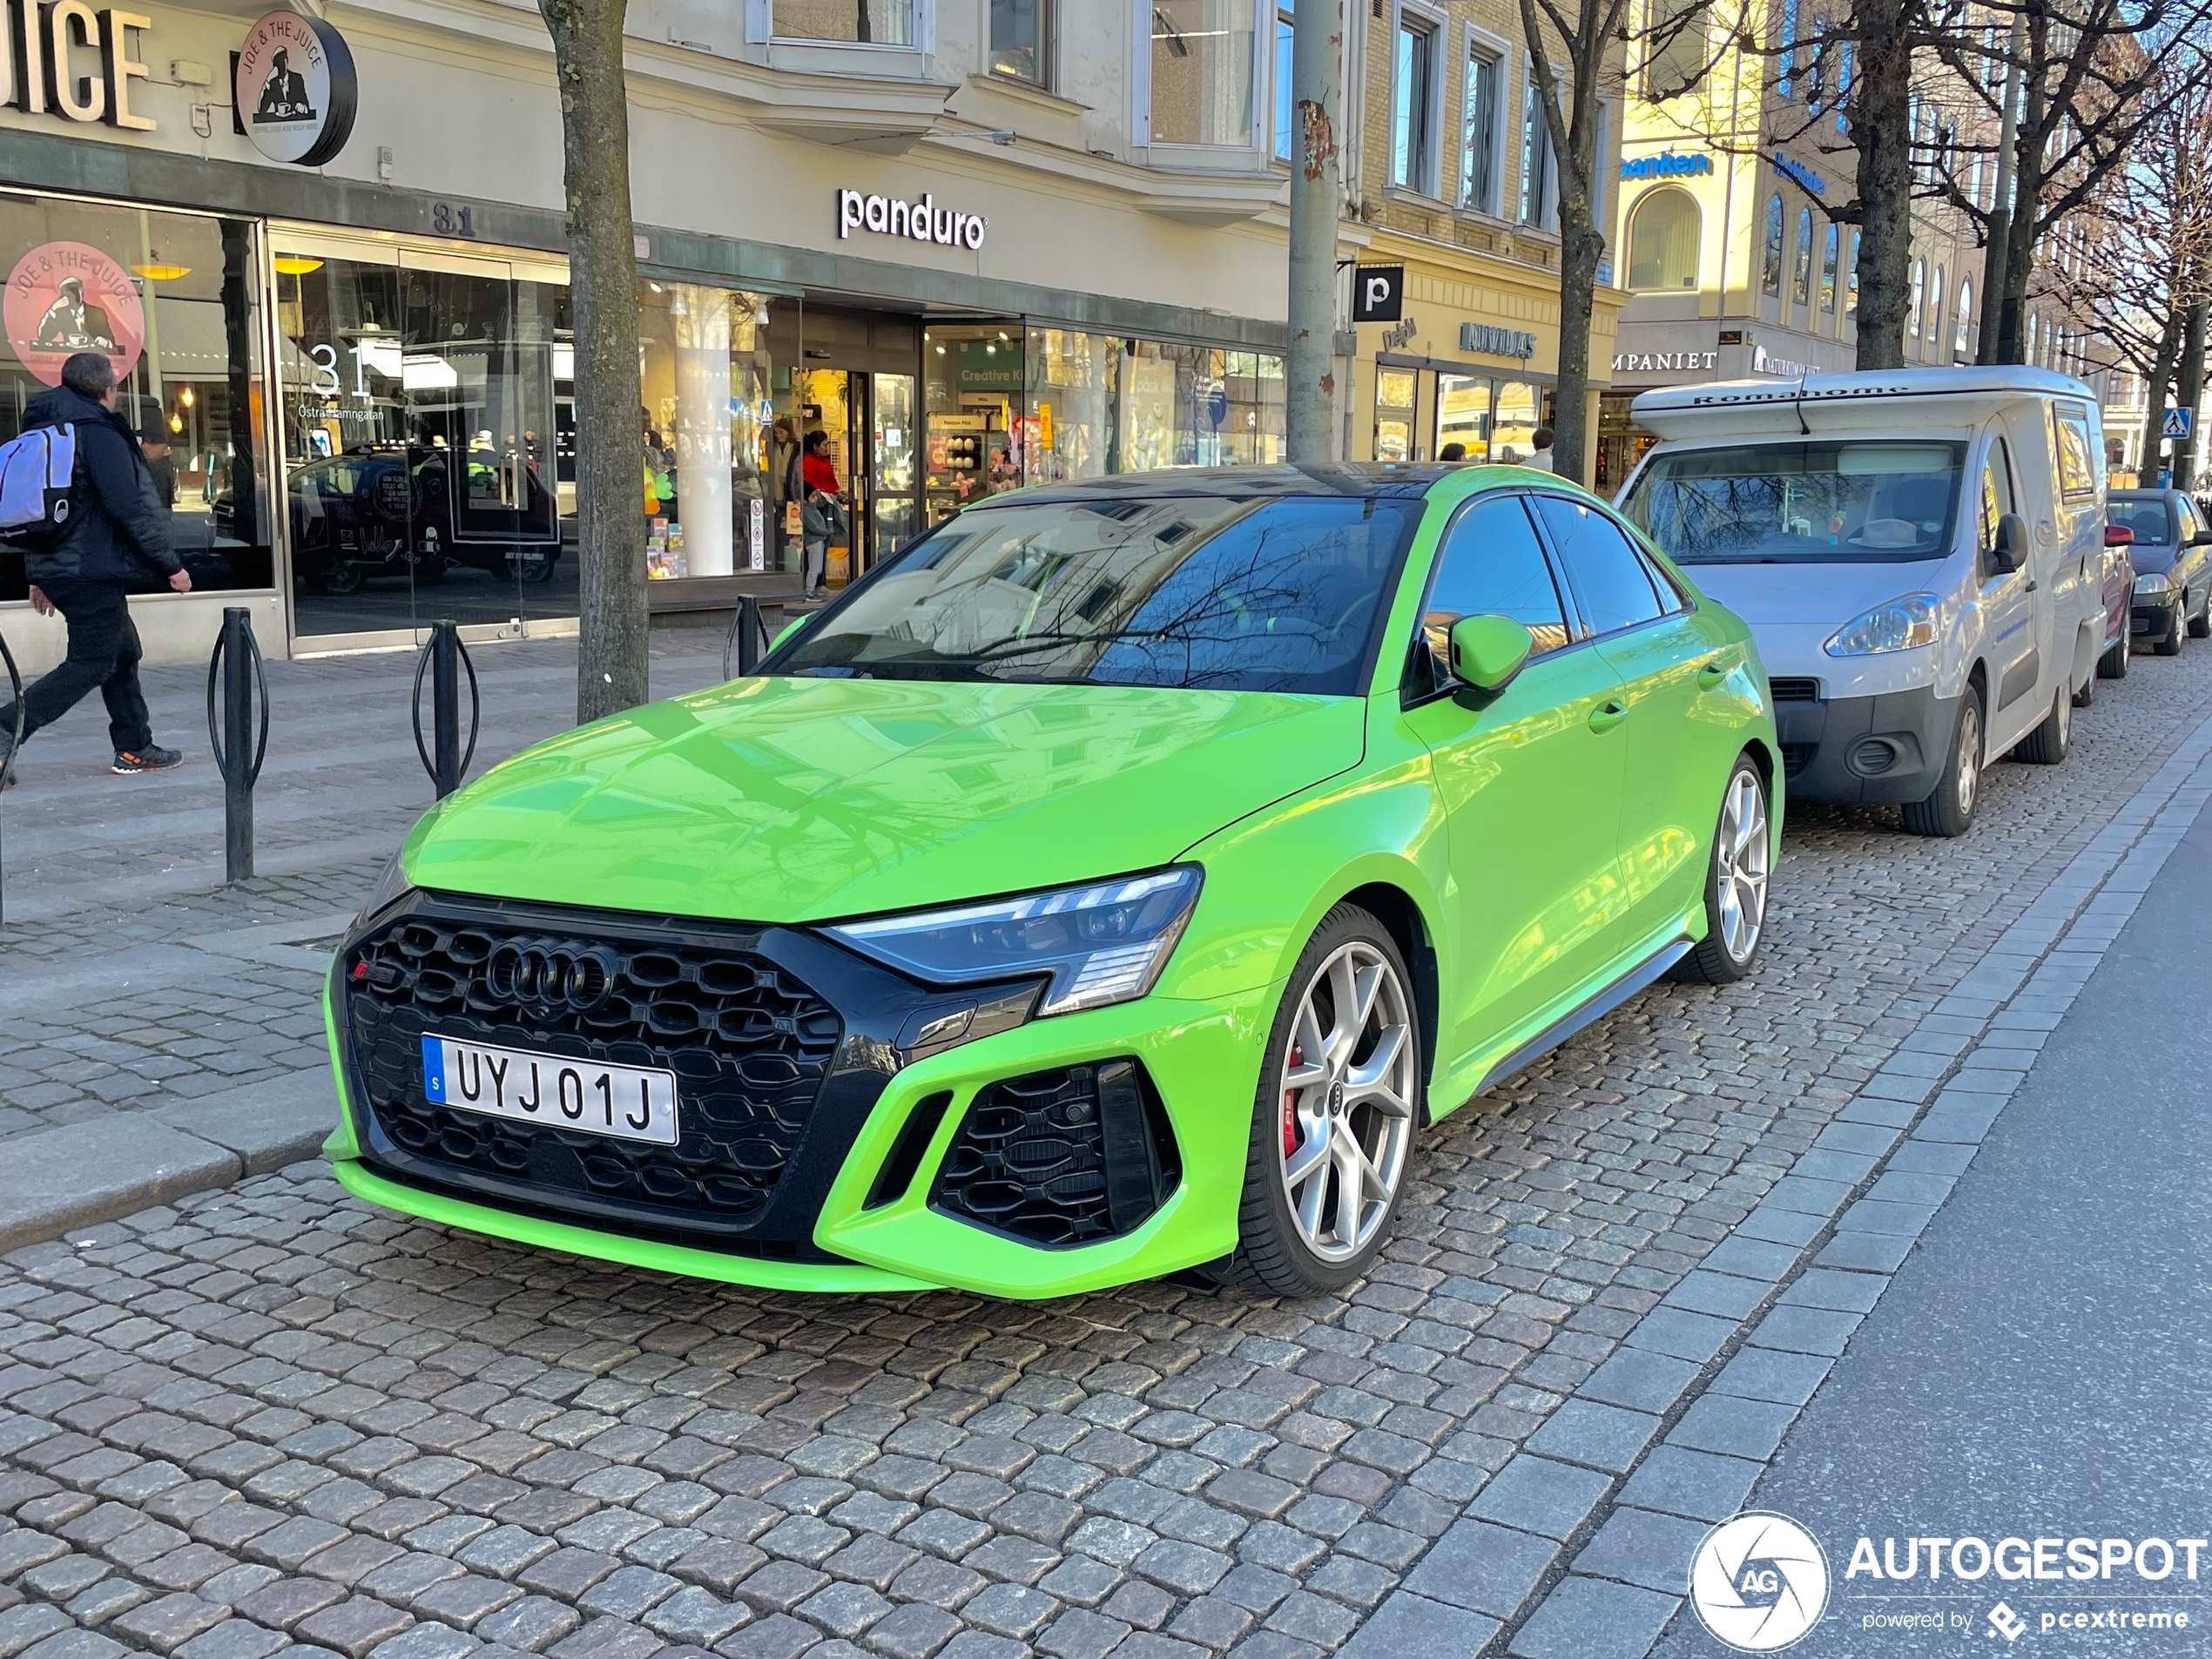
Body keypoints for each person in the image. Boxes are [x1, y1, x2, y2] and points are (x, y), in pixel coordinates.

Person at [0, 352, 190, 784]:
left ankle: (135, 745)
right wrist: (170, 565)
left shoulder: (42, 429)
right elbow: (130, 507)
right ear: (108, 389)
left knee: (121, 653)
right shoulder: (97, 433)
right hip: (92, 569)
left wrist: (37, 572)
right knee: (90, 662)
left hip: (62, 567)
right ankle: (6, 728)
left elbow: (33, 510)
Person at [140, 415, 179, 507]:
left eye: (152, 441)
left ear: (168, 450)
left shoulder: (158, 472)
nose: (144, 446)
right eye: (144, 440)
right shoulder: (161, 469)